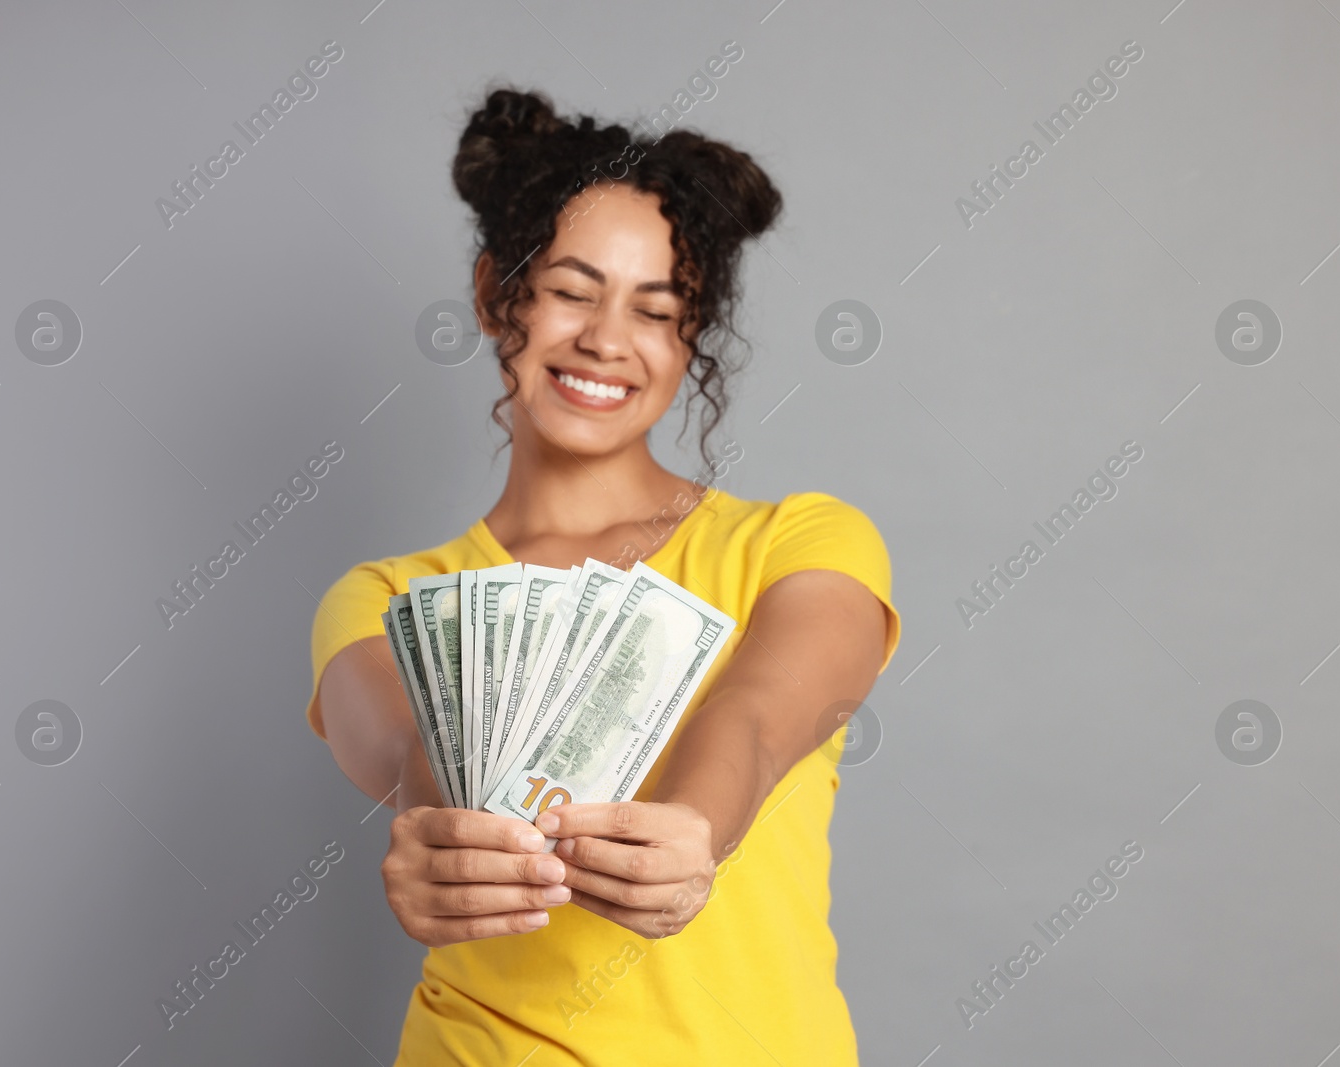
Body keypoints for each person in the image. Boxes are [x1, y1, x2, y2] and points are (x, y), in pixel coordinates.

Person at [306, 87, 901, 1065]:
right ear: (499, 290)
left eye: (657, 310)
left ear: (688, 339)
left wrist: (693, 832)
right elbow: (410, 750)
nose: (605, 341)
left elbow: (755, 720)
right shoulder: (385, 597)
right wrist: (438, 836)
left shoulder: (801, 542)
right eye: (573, 291)